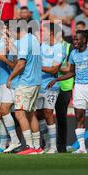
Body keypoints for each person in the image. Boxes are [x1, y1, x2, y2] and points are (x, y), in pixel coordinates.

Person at [48, 30, 88, 154]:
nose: (75, 42)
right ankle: (82, 147)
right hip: (78, 87)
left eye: (77, 39)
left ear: (84, 40)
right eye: (74, 39)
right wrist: (57, 79)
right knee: (79, 116)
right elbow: (72, 72)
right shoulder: (73, 54)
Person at [7, 22, 42, 155]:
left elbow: (21, 63)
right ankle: (37, 147)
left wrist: (10, 78)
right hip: (36, 82)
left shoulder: (23, 42)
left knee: (19, 113)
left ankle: (29, 146)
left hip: (26, 82)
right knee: (31, 113)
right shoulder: (33, 39)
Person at [0, 23, 22, 153]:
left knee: (4, 110)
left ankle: (15, 140)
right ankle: (3, 143)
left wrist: (6, 61)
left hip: (6, 81)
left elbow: (2, 56)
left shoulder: (5, 41)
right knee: (0, 113)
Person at [37, 23, 64, 154]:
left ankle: (53, 146)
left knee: (48, 113)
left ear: (52, 33)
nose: (43, 33)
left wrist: (37, 67)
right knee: (39, 115)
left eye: (45, 31)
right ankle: (47, 143)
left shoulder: (59, 47)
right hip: (39, 85)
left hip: (51, 85)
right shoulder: (43, 45)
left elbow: (54, 69)